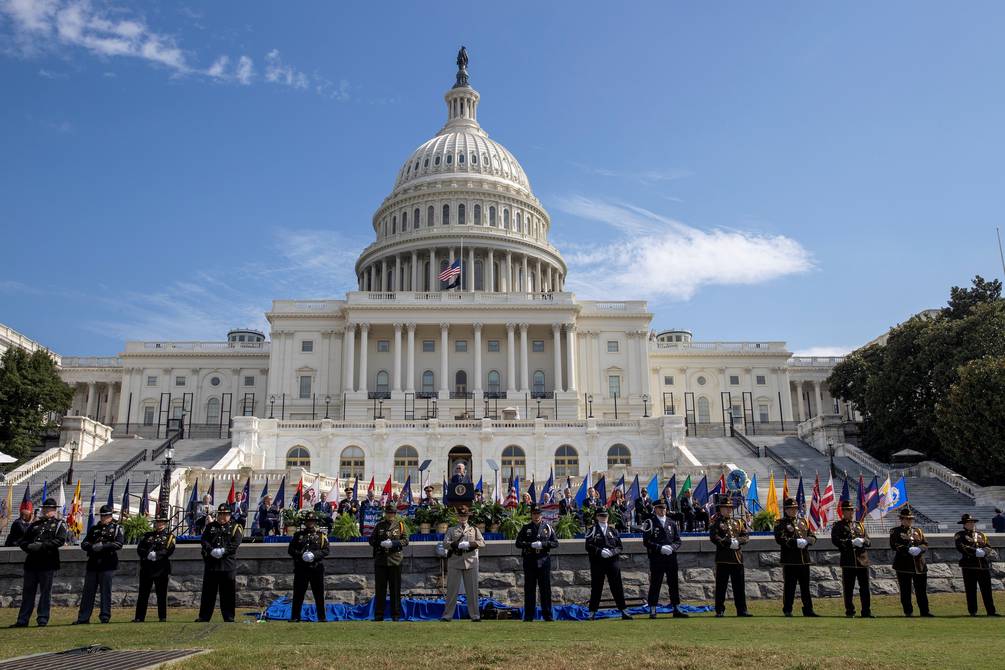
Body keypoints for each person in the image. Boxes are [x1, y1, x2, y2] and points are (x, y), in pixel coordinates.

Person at [10, 498, 66, 628]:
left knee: (45, 592)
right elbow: (22, 541)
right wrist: (29, 547)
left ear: (54, 510)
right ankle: (23, 619)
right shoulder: (35, 525)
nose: (45, 510)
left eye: (48, 508)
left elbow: (60, 540)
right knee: (28, 592)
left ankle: (42, 618)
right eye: (44, 508)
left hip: (47, 562)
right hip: (32, 562)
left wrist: (42, 546)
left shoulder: (59, 524)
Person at [75, 504, 124, 624]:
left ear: (110, 516)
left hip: (107, 563)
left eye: (106, 516)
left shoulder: (116, 528)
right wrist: (92, 547)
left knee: (105, 591)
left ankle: (105, 616)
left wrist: (104, 546)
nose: (103, 518)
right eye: (102, 516)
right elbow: (84, 543)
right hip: (93, 563)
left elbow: (119, 544)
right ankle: (83, 617)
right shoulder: (94, 529)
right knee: (88, 592)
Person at [196, 503, 243, 622]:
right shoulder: (210, 526)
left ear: (229, 515)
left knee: (227, 593)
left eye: (225, 514)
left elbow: (235, 543)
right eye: (220, 514)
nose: (222, 517)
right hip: (212, 564)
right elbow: (204, 540)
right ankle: (204, 616)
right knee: (208, 593)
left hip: (227, 565)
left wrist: (223, 551)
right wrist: (211, 551)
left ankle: (229, 617)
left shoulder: (235, 527)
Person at [641, 499, 686, 619]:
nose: (663, 510)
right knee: (656, 583)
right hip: (657, 557)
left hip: (671, 556)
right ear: (655, 509)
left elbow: (678, 540)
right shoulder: (650, 522)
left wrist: (672, 547)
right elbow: (646, 541)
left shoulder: (671, 522)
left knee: (673, 583)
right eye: (660, 508)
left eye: (664, 508)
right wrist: (659, 548)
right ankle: (653, 608)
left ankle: (676, 607)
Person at [585, 507, 632, 620]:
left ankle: (623, 610)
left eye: (605, 516)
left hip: (612, 562)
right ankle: (592, 612)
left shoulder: (613, 531)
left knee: (617, 586)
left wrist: (612, 552)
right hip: (598, 562)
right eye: (601, 515)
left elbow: (619, 547)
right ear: (597, 517)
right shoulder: (592, 530)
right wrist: (599, 551)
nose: (604, 518)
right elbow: (588, 546)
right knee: (596, 587)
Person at [774, 497, 817, 617]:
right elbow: (780, 539)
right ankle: (787, 609)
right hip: (790, 560)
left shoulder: (803, 521)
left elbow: (812, 536)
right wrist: (795, 542)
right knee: (790, 587)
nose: (793, 511)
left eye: (795, 509)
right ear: (786, 510)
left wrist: (808, 541)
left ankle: (808, 609)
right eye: (791, 509)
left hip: (804, 559)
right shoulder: (780, 523)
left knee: (805, 587)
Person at [440, 505, 485, 621]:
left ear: (468, 517)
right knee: (452, 590)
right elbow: (445, 543)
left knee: (472, 591)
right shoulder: (451, 530)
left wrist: (470, 544)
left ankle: (475, 616)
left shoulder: (474, 529)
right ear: (458, 517)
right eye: (461, 516)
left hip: (470, 562)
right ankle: (447, 615)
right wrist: (456, 545)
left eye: (465, 516)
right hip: (455, 561)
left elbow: (482, 542)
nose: (463, 518)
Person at [515, 504, 559, 622]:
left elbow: (555, 543)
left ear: (541, 515)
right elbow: (518, 543)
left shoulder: (547, 528)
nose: (536, 516)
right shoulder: (526, 528)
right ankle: (529, 616)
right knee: (529, 589)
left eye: (538, 514)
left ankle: (547, 615)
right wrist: (529, 545)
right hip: (530, 560)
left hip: (543, 560)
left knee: (545, 589)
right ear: (531, 515)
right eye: (534, 514)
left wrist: (543, 544)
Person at [709, 496, 751, 617]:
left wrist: (738, 541)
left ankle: (742, 610)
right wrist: (727, 543)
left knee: (739, 586)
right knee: (721, 586)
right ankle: (720, 610)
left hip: (737, 558)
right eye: (725, 508)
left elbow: (745, 536)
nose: (728, 510)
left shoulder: (737, 522)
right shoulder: (716, 523)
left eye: (729, 508)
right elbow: (714, 537)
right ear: (720, 509)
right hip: (723, 558)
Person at [830, 499, 872, 617]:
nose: (851, 512)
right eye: (848, 510)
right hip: (848, 561)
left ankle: (866, 611)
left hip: (862, 561)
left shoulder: (859, 525)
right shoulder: (838, 526)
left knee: (865, 588)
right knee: (848, 589)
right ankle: (850, 611)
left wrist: (863, 541)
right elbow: (836, 540)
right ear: (843, 512)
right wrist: (850, 542)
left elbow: (869, 541)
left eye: (852, 510)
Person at [889, 505, 931, 617]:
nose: (909, 521)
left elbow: (925, 544)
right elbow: (894, 545)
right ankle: (908, 611)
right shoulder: (895, 531)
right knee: (905, 590)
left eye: (911, 519)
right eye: (907, 519)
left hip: (919, 565)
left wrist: (919, 549)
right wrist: (907, 549)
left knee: (921, 590)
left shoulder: (918, 531)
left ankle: (924, 611)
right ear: (901, 519)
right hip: (904, 564)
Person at [954, 513, 999, 617]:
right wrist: (975, 552)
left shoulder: (980, 534)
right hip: (969, 565)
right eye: (969, 523)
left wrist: (984, 552)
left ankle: (991, 611)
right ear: (964, 524)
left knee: (987, 590)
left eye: (972, 522)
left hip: (982, 565)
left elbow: (988, 546)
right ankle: (973, 611)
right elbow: (961, 547)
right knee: (971, 589)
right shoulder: (960, 535)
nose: (972, 524)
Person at [370, 503, 409, 621]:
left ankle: (395, 615)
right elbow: (371, 540)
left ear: (395, 514)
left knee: (395, 589)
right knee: (380, 589)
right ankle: (379, 615)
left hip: (395, 560)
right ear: (385, 514)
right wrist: (380, 544)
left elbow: (406, 541)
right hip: (381, 560)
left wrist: (394, 543)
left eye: (392, 513)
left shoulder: (400, 525)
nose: (390, 515)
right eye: (388, 513)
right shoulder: (379, 525)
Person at [134, 513, 176, 622]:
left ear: (165, 524)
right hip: (147, 568)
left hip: (161, 569)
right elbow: (140, 549)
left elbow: (168, 550)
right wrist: (147, 554)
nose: (159, 524)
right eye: (158, 522)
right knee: (143, 594)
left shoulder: (169, 536)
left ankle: (162, 617)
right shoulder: (147, 535)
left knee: (161, 594)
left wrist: (157, 555)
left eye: (162, 522)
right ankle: (139, 617)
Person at [288, 510, 329, 622]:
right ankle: (295, 616)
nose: (310, 523)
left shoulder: (321, 536)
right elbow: (291, 550)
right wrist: (301, 555)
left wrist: (314, 555)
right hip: (301, 568)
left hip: (316, 568)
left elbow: (326, 550)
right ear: (305, 522)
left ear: (315, 522)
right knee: (298, 593)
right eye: (308, 521)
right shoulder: (298, 535)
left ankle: (322, 617)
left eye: (312, 521)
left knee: (319, 593)